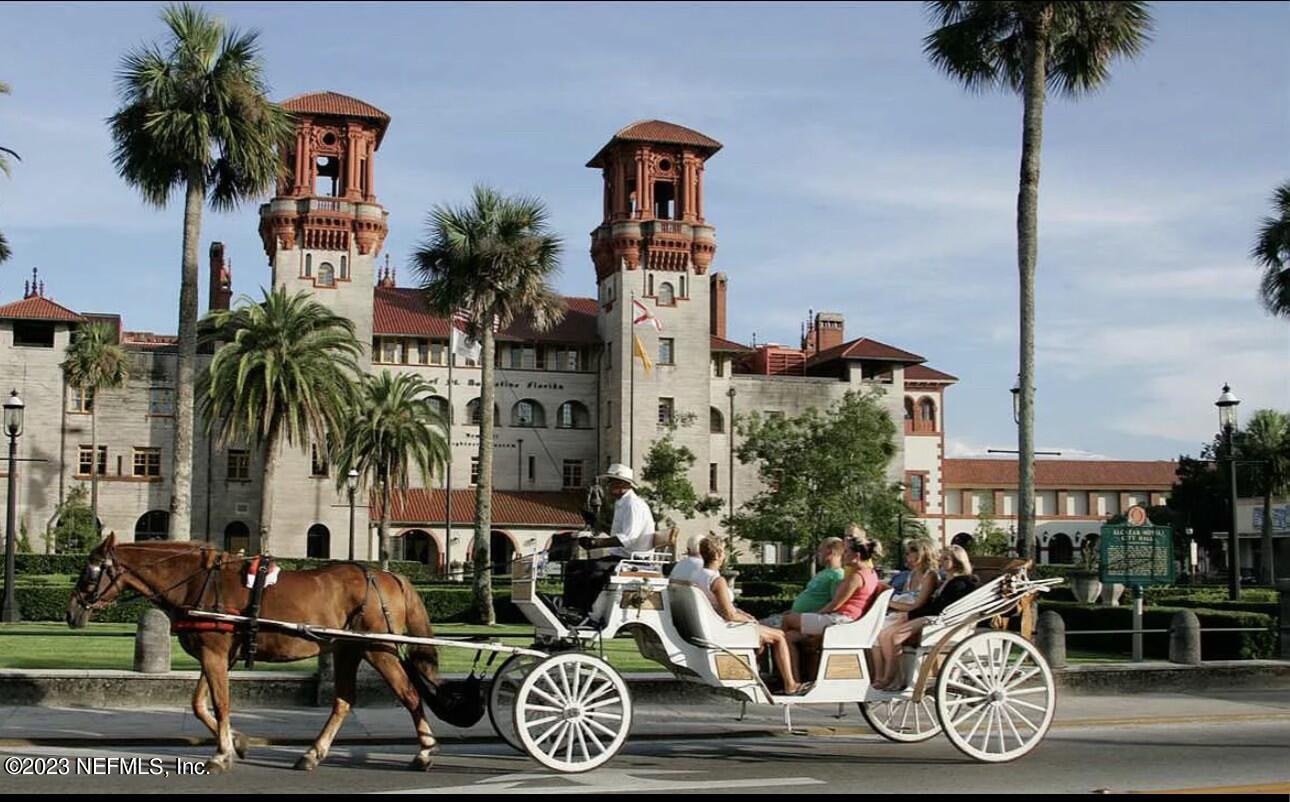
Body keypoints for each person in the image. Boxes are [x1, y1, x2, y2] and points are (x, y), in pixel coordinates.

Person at [686, 536, 805, 695]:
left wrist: (743, 615)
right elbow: (729, 614)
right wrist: (749, 620)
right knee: (780, 636)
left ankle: (765, 679)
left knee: (764, 636)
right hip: (724, 627)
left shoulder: (696, 576)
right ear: (718, 554)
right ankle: (790, 684)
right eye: (723, 551)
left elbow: (719, 606)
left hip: (712, 624)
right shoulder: (717, 580)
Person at [780, 528, 885, 681]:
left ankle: (790, 679)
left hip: (841, 621)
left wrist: (815, 616)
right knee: (788, 637)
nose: (844, 555)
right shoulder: (870, 573)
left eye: (847, 552)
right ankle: (793, 679)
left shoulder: (855, 577)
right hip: (843, 619)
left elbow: (834, 605)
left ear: (856, 556)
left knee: (788, 620)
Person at [871, 544, 979, 691]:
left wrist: (910, 614)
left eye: (945, 559)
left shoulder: (960, 583)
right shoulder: (948, 581)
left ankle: (891, 677)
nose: (941, 561)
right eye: (941, 558)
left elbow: (939, 609)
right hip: (931, 617)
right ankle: (895, 677)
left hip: (939, 621)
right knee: (884, 634)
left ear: (958, 561)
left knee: (895, 636)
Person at [562, 464, 657, 619]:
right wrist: (596, 525)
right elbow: (617, 533)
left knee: (594, 568)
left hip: (635, 560)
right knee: (574, 565)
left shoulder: (634, 504)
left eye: (610, 482)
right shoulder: (622, 504)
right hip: (624, 557)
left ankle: (585, 610)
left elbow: (628, 538)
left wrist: (596, 544)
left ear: (623, 484)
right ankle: (571, 607)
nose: (607, 486)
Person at [759, 537, 846, 629]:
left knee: (757, 629)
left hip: (802, 620)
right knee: (755, 626)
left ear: (830, 551)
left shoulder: (837, 575)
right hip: (793, 616)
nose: (817, 554)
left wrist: (813, 618)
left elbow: (834, 603)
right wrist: (791, 611)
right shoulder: (823, 573)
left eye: (820, 550)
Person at [884, 539, 940, 627]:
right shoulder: (912, 574)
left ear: (921, 554)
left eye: (910, 552)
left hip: (913, 616)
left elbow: (916, 606)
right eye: (907, 553)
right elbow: (904, 596)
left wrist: (888, 603)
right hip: (900, 613)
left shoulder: (930, 576)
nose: (907, 555)